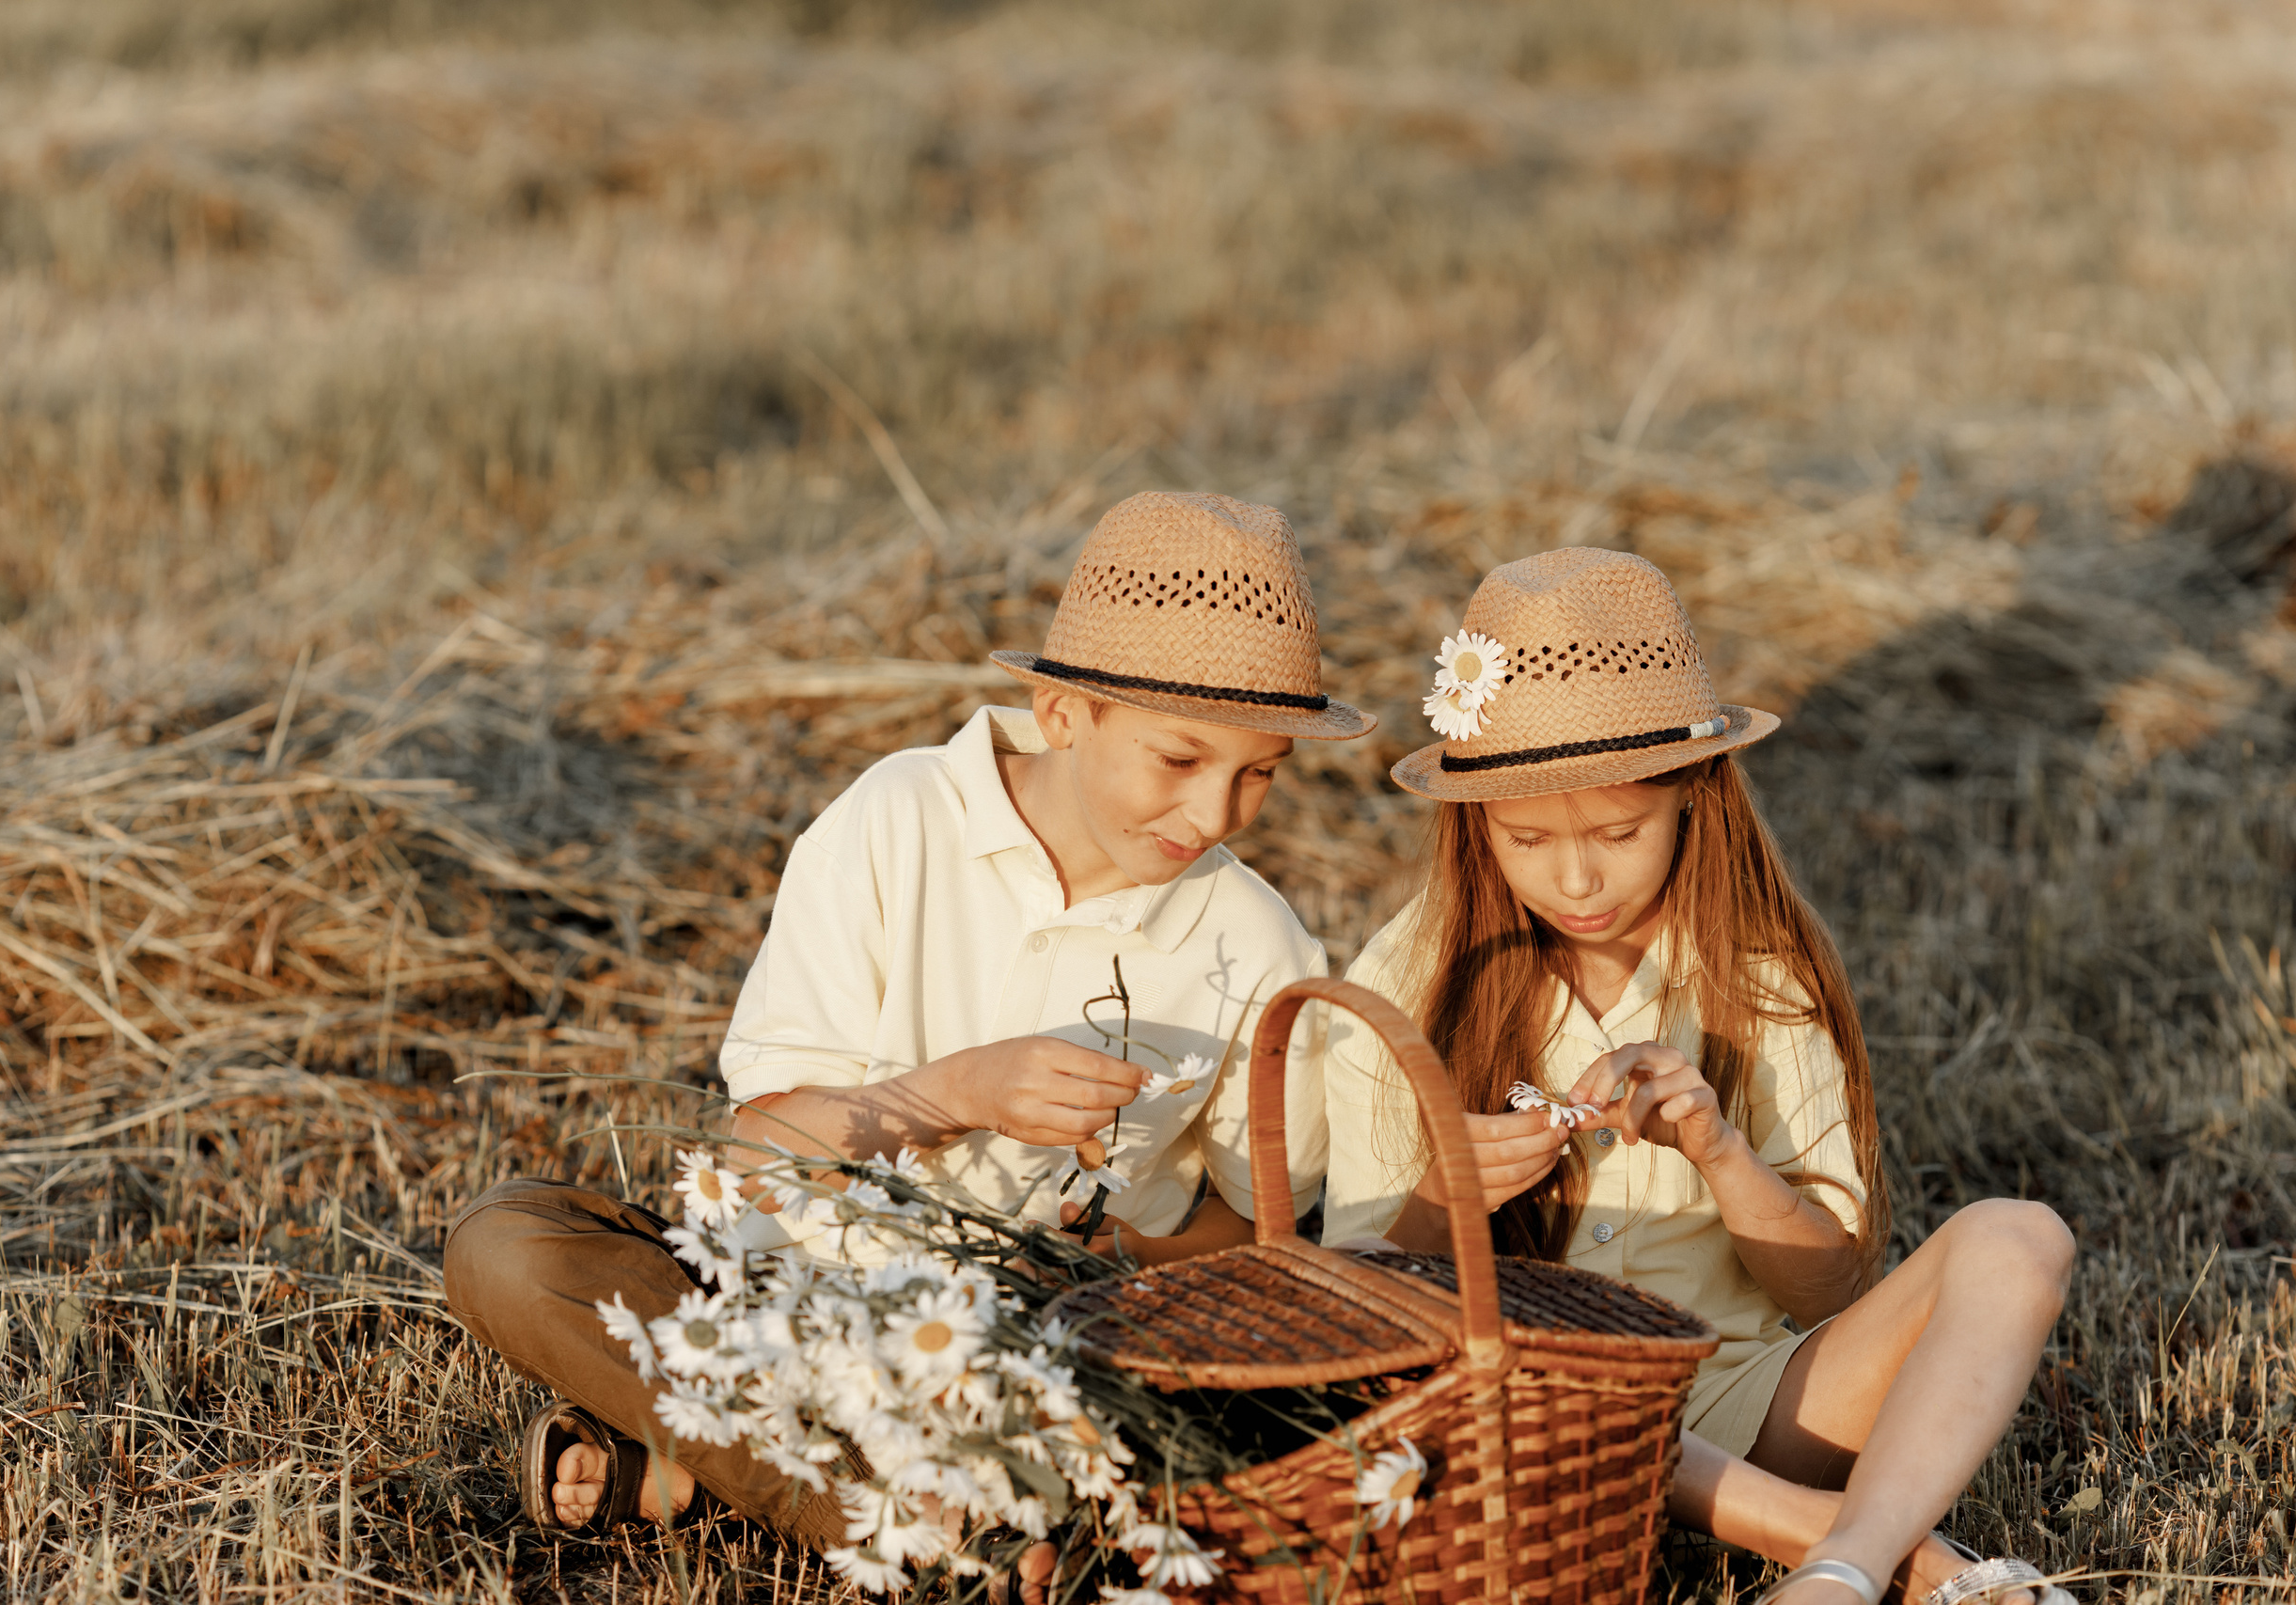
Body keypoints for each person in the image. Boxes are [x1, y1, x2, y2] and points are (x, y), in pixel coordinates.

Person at [442, 491, 1376, 1540]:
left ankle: (741, 1473)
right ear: (1065, 713)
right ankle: (946, 1519)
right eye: (1179, 759)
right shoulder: (897, 819)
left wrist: (1111, 1258)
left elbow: (1261, 1238)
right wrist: (952, 1092)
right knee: (506, 1247)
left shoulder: (1258, 940)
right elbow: (756, 1152)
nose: (1213, 816)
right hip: (788, 1297)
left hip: (1043, 1344)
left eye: (1259, 777)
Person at [1323, 548, 2077, 1605]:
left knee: (2020, 1235)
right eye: (1528, 838)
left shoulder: (1758, 975)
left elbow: (1830, 1288)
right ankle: (1874, 1551)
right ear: (1471, 821)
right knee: (1546, 1379)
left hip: (1749, 1403)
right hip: (1521, 1410)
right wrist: (1445, 1194)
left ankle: (1838, 1576)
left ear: (1693, 799)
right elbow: (1343, 1300)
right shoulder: (1407, 977)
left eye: (1619, 833)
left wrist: (1723, 1155)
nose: (1576, 879)